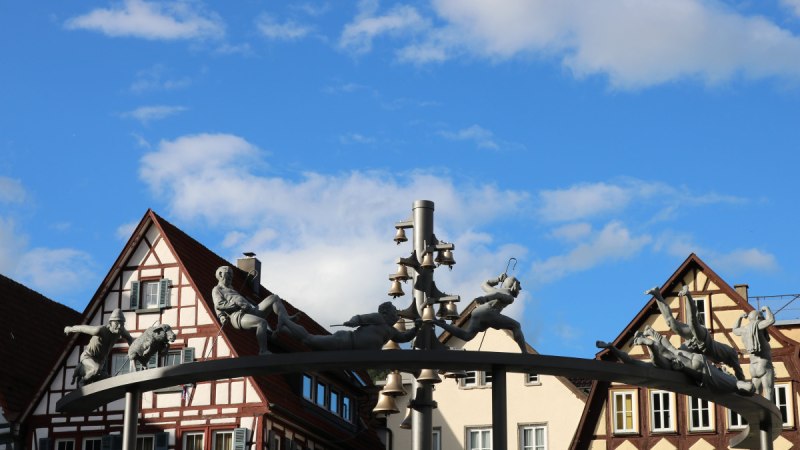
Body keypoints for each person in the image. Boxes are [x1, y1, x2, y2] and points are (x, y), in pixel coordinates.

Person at [646, 285, 744, 380]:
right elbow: (740, 374)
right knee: (692, 323)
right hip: (705, 343)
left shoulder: (720, 359)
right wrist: (740, 385)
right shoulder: (732, 353)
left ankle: (657, 295)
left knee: (671, 324)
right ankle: (687, 295)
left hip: (694, 347)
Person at [434, 273, 529, 353]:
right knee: (516, 326)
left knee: (467, 336)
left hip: (478, 312)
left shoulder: (494, 290)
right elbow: (498, 295)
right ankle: (525, 353)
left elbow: (484, 284)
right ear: (514, 285)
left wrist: (498, 279)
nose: (519, 290)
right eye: (519, 288)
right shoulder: (509, 297)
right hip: (489, 313)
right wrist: (485, 298)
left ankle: (442, 325)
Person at [278, 302, 420, 351]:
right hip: (345, 341)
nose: (397, 315)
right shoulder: (378, 318)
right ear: (385, 313)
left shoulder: (391, 331)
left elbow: (404, 337)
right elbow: (358, 318)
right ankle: (285, 320)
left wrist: (416, 328)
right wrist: (352, 322)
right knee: (310, 340)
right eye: (394, 312)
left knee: (311, 344)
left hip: (350, 347)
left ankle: (284, 329)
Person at [212, 265, 286, 355]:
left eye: (232, 275)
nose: (231, 277)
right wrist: (222, 316)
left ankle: (285, 319)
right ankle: (263, 351)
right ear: (220, 274)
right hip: (239, 315)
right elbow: (218, 305)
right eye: (229, 274)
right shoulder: (217, 289)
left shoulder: (231, 288)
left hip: (251, 310)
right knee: (261, 323)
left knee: (273, 298)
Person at [64, 308, 134, 386]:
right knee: (95, 369)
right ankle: (83, 381)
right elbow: (82, 328)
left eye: (122, 324)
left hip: (101, 362)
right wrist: (69, 329)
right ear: (110, 323)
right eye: (117, 323)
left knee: (107, 379)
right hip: (88, 356)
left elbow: (130, 339)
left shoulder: (121, 331)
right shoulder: (99, 330)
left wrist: (132, 349)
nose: (119, 326)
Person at [733, 306, 775, 400]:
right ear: (757, 318)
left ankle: (758, 413)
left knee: (756, 395)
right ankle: (769, 413)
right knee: (768, 392)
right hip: (763, 364)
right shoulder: (758, 325)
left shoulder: (744, 330)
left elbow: (734, 329)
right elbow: (771, 320)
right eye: (761, 318)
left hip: (753, 367)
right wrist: (767, 309)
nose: (762, 320)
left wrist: (740, 318)